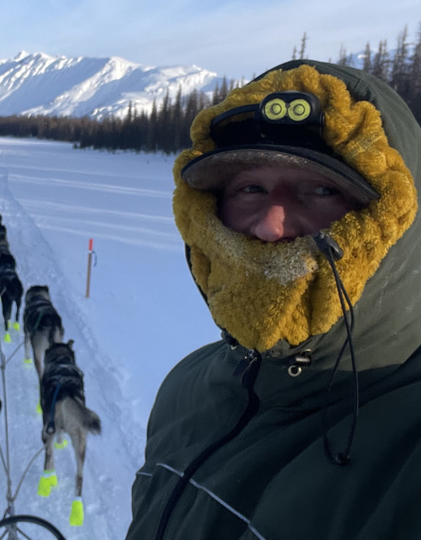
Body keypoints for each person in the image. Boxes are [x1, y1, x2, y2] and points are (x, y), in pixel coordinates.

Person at [125, 59, 421, 539]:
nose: (270, 225)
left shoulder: (406, 448)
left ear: (396, 222)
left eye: (323, 189)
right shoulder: (186, 389)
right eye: (250, 189)